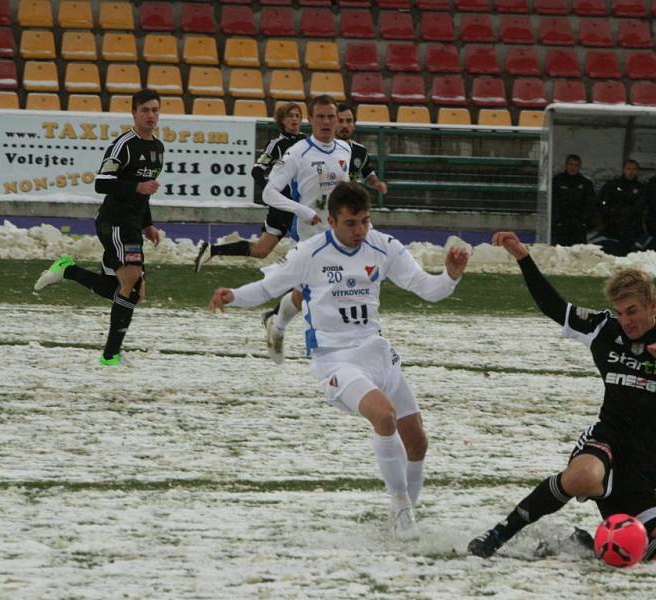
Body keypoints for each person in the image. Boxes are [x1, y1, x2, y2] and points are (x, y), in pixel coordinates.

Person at [209, 182, 469, 540]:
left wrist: (451, 276)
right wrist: (233, 295)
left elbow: (427, 289)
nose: (360, 230)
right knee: (384, 416)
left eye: (365, 221)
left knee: (418, 442)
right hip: (335, 359)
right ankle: (400, 507)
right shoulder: (309, 253)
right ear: (331, 221)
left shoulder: (384, 246)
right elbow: (269, 288)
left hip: (377, 352)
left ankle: (405, 511)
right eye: (351, 223)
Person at [468, 231, 656, 562]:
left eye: (632, 311)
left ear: (651, 306)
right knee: (583, 477)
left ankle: (591, 547)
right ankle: (498, 534)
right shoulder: (605, 329)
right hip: (606, 444)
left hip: (641, 475)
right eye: (620, 312)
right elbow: (554, 306)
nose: (625, 320)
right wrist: (523, 258)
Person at [33, 88, 164, 366]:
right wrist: (136, 186)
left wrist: (148, 223)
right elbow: (101, 183)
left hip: (132, 223)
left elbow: (145, 191)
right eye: (145, 110)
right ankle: (110, 355)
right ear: (134, 112)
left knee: (133, 292)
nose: (151, 115)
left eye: (155, 110)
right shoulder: (123, 145)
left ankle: (67, 270)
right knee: (131, 284)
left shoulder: (157, 147)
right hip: (114, 222)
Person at [259, 95, 351, 364]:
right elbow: (269, 192)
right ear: (310, 120)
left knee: (310, 292)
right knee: (322, 291)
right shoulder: (297, 153)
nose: (326, 121)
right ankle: (324, 349)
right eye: (320, 116)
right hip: (309, 237)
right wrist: (303, 211)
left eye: (330, 116)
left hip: (338, 237)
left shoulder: (345, 150)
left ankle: (275, 323)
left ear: (337, 119)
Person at [194, 102, 305, 271]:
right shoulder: (277, 145)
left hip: (301, 203)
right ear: (282, 120)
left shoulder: (307, 142)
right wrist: (273, 194)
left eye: (298, 115)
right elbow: (256, 171)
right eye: (290, 115)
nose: (295, 119)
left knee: (262, 251)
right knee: (303, 246)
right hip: (286, 206)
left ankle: (212, 250)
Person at [594, 159, 648, 256]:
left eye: (633, 169)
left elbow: (639, 208)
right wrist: (613, 214)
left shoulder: (641, 188)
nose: (631, 171)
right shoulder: (612, 185)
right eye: (628, 168)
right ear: (623, 170)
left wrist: (626, 214)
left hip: (632, 230)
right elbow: (602, 204)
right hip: (612, 228)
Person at [336, 102, 388, 195]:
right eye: (340, 121)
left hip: (347, 204)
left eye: (349, 121)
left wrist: (376, 183)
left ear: (354, 124)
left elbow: (366, 174)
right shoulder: (320, 148)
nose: (344, 125)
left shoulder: (360, 151)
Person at [550, 154, 596, 246]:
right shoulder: (557, 181)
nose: (573, 167)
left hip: (578, 224)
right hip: (561, 224)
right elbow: (553, 201)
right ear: (566, 165)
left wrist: (584, 221)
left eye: (576, 165)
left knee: (578, 252)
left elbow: (590, 204)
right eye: (571, 164)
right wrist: (557, 220)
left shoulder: (586, 183)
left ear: (579, 167)